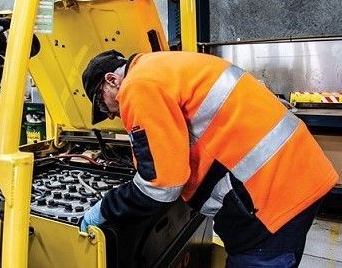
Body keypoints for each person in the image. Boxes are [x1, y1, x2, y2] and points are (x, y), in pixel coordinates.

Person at [80, 49, 338, 267]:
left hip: (271, 199)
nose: (111, 115)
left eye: (102, 105)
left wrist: (104, 209)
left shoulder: (137, 86)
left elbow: (161, 186)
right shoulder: (159, 66)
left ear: (112, 80)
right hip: (297, 174)